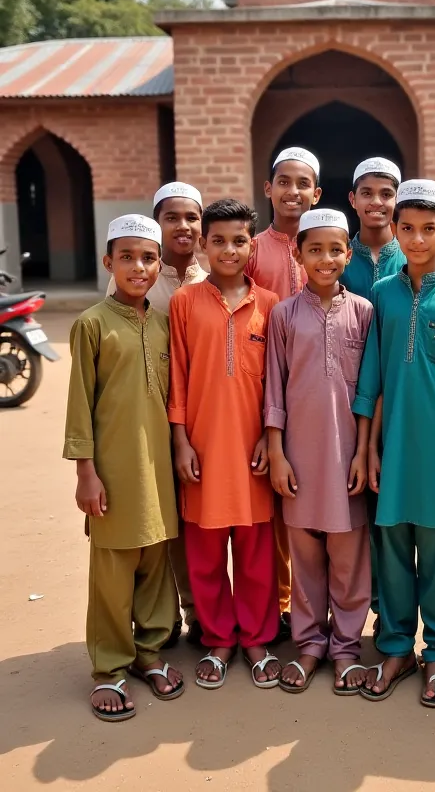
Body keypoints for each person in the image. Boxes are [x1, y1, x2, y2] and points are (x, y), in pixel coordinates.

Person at [354, 180, 435, 708]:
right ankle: (395, 646)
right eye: (406, 228)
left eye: (428, 229)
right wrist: (367, 450)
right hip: (391, 449)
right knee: (390, 551)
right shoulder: (381, 294)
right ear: (396, 230)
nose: (416, 239)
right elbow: (371, 380)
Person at [64, 214, 183, 722]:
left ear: (160, 264)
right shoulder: (91, 323)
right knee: (113, 568)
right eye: (128, 257)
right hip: (112, 470)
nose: (139, 267)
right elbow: (79, 404)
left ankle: (150, 651)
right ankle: (110, 667)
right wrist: (85, 472)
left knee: (156, 555)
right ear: (108, 262)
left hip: (157, 467)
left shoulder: (162, 322)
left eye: (149, 258)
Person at [168, 199, 281, 691]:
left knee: (257, 552)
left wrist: (268, 438)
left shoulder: (272, 304)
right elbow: (177, 378)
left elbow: (276, 384)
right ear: (204, 244)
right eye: (218, 240)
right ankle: (217, 639)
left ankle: (256, 638)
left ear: (251, 244)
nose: (229, 250)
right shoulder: (184, 302)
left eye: (239, 241)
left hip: (252, 452)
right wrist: (181, 442)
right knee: (206, 552)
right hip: (203, 448)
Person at [265, 208, 373, 695]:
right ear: (298, 253)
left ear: (349, 254)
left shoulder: (365, 313)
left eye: (335, 250)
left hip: (348, 454)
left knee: (349, 554)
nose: (326, 259)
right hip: (299, 456)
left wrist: (364, 452)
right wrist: (277, 452)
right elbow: (273, 389)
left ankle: (347, 646)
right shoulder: (283, 314)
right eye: (315, 249)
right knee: (305, 555)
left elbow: (371, 393)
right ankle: (309, 643)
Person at [107, 181, 207, 649]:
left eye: (191, 217)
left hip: (195, 421)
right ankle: (156, 621)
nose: (183, 226)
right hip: (143, 420)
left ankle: (194, 613)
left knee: (187, 523)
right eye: (173, 217)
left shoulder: (210, 280)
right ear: (158, 223)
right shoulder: (141, 275)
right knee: (151, 524)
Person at [246, 146, 322, 640]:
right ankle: (280, 607)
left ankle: (321, 606)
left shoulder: (329, 245)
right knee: (275, 507)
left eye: (303, 184)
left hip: (321, 397)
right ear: (269, 188)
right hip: (265, 393)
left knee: (322, 503)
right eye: (284, 181)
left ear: (317, 194)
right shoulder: (251, 249)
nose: (292, 191)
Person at [341, 157, 406, 640]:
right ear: (352, 199)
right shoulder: (341, 255)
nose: (377, 202)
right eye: (368, 192)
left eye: (387, 193)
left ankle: (391, 611)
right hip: (341, 401)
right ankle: (350, 610)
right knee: (350, 506)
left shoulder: (411, 255)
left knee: (389, 509)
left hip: (400, 401)